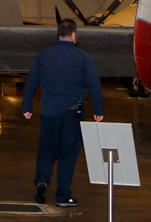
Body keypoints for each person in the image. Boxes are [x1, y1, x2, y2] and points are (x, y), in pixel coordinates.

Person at [21, 18, 104, 207]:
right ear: (74, 35)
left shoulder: (43, 55)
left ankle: (42, 181)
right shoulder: (83, 56)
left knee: (47, 149)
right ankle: (63, 196)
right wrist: (98, 111)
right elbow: (94, 85)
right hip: (71, 114)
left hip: (48, 113)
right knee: (68, 153)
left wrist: (27, 107)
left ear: (58, 34)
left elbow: (32, 81)